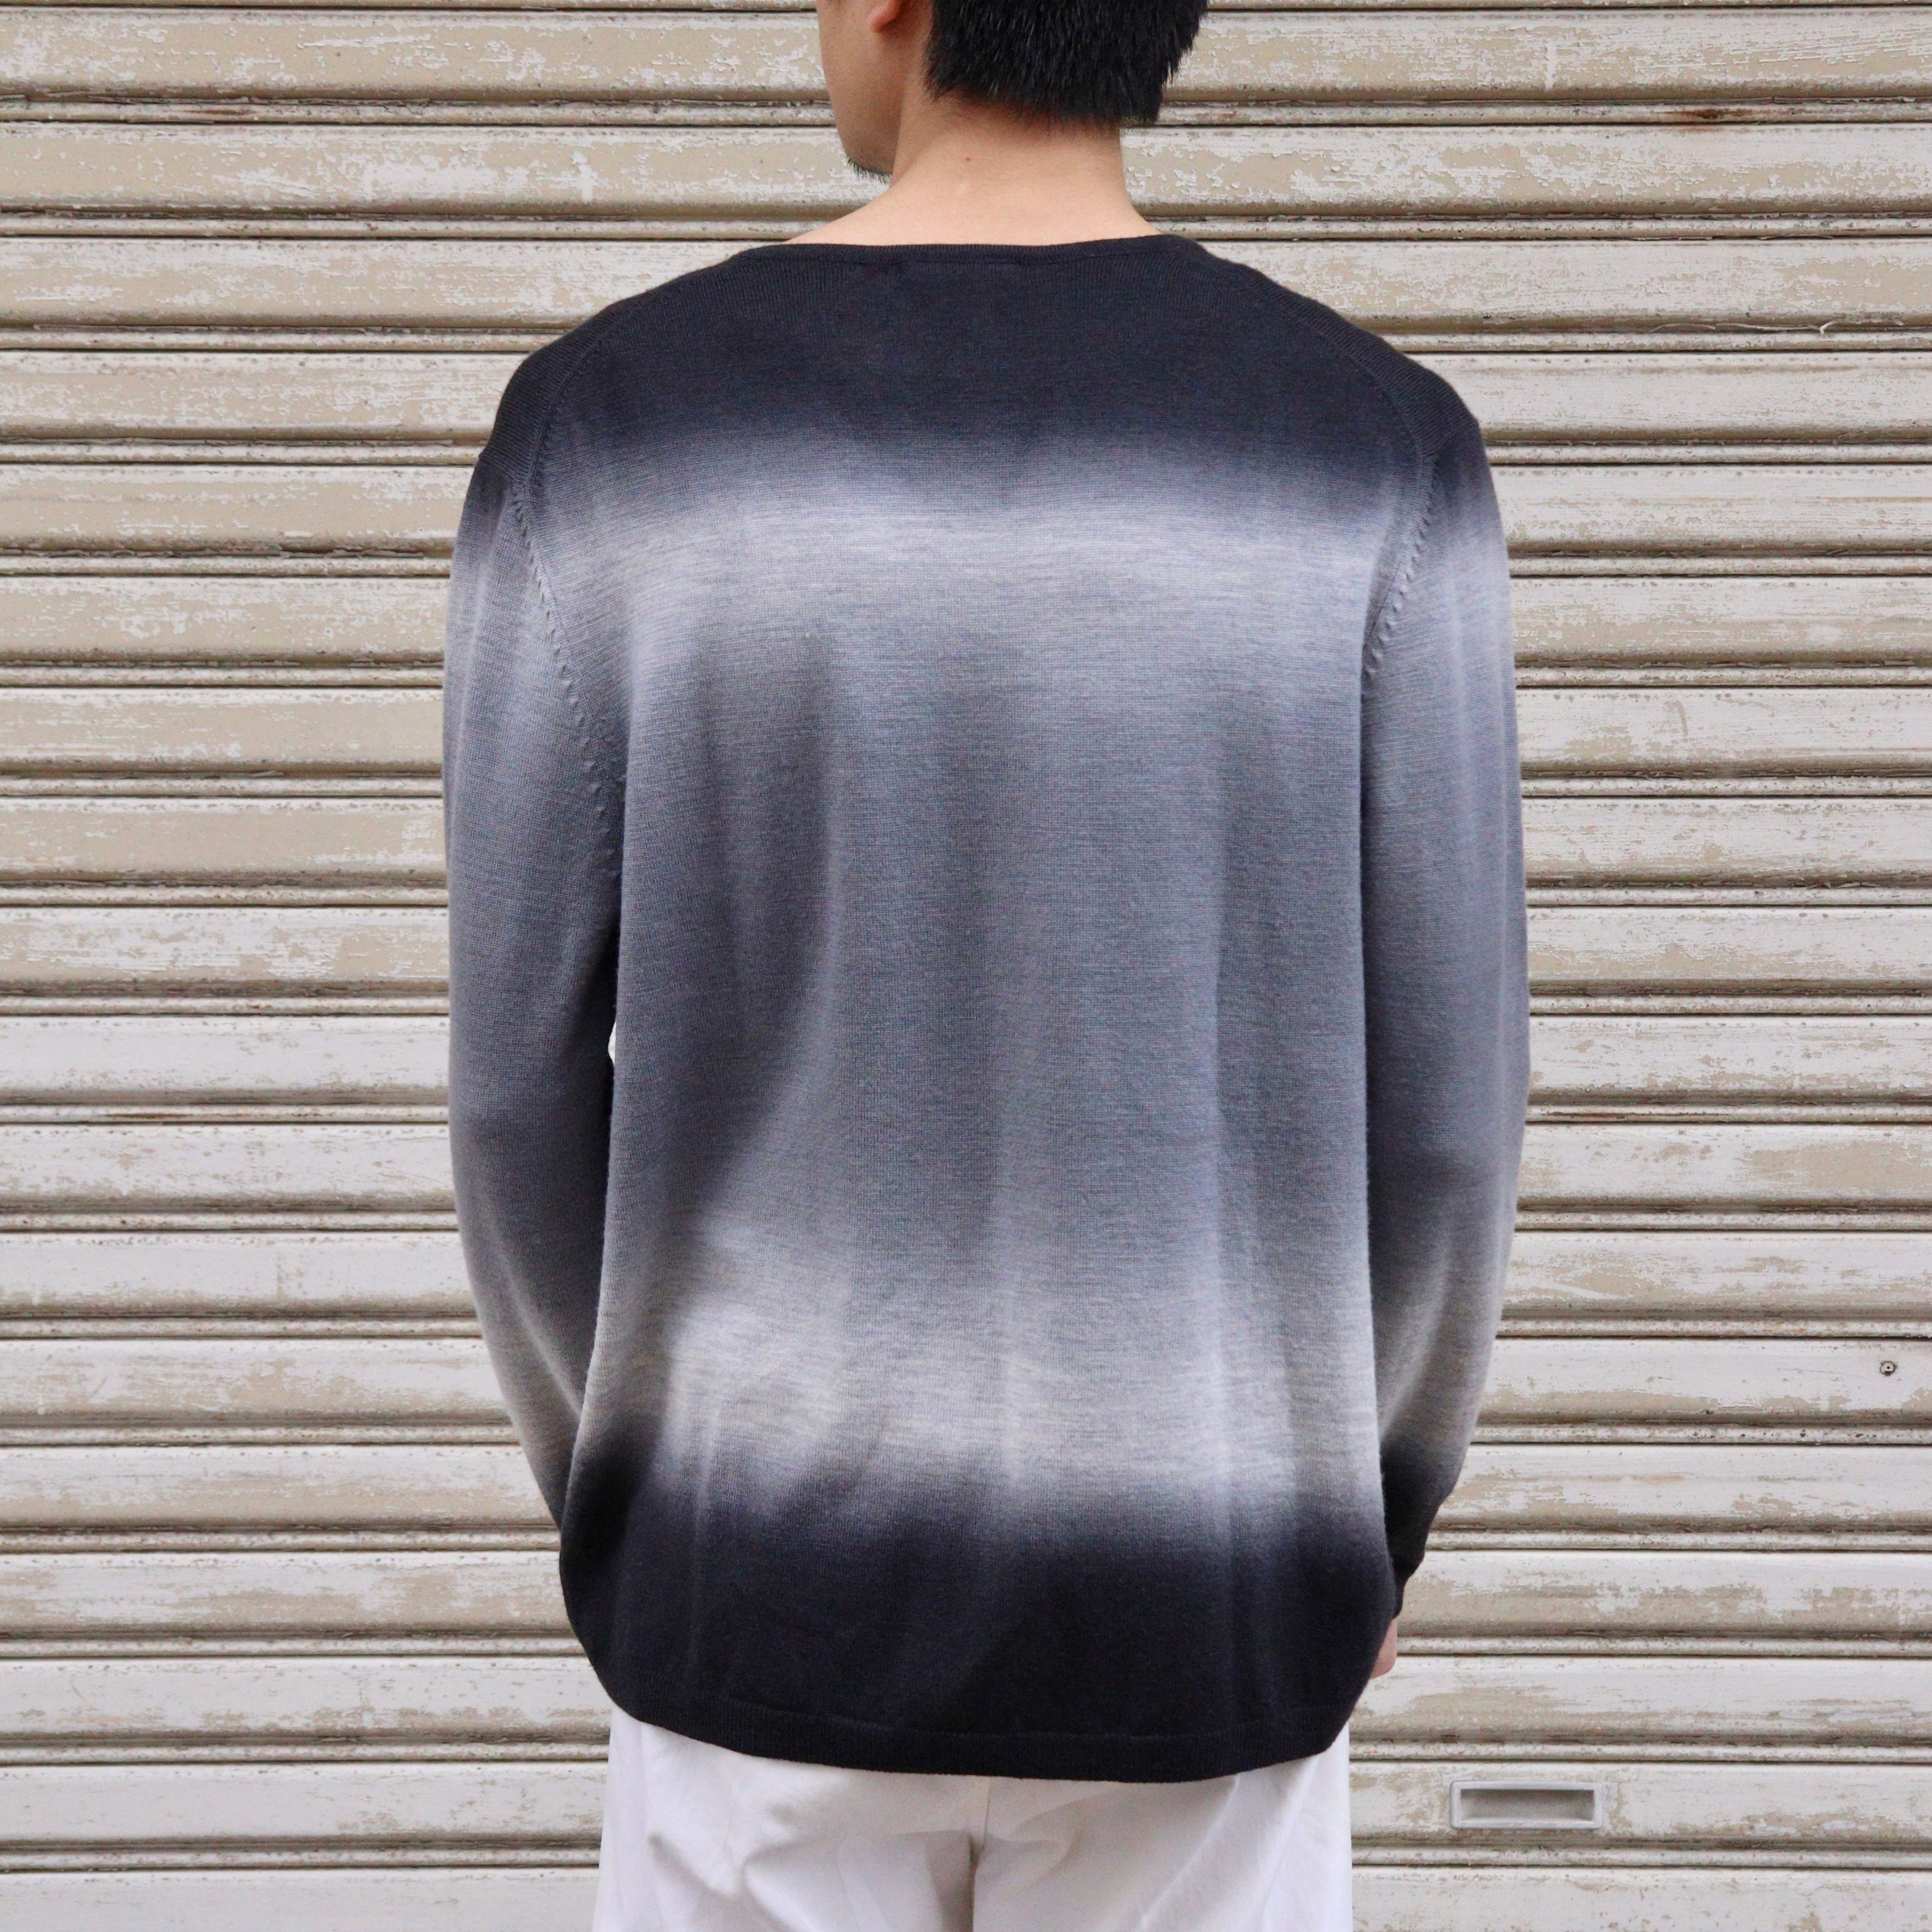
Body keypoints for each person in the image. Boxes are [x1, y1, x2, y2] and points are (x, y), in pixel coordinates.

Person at [441, 0, 1530, 1922]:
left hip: (756, 1580)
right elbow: (1447, 1110)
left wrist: (633, 1481)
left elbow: (517, 1090)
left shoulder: (615, 428)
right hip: (1207, 1594)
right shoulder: (1373, 447)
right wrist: (1360, 1514)